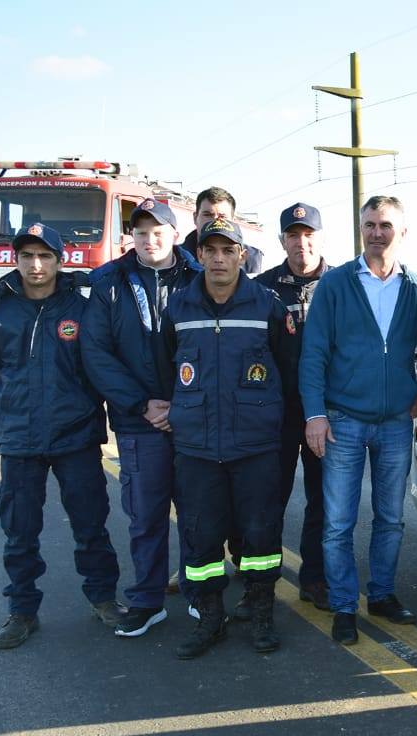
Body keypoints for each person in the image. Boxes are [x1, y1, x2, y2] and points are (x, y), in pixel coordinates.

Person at [0, 223, 123, 648]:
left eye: (44, 256)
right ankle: (22, 611)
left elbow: (98, 366)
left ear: (59, 260)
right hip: (20, 438)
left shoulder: (82, 307)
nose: (35, 265)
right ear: (15, 259)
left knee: (91, 524)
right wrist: (4, 412)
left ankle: (103, 598)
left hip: (76, 435)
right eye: (27, 256)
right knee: (20, 531)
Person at [161, 217, 293, 659]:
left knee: (261, 536)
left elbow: (288, 370)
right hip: (197, 447)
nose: (219, 258)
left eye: (227, 250)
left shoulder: (268, 306)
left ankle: (261, 612)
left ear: (242, 255)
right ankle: (210, 618)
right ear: (198, 255)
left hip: (255, 445)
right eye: (210, 250)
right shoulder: (178, 308)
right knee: (200, 537)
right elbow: (165, 368)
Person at [300, 196, 417, 646]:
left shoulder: (415, 286)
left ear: (402, 231)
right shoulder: (336, 284)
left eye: (386, 225)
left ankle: (382, 594)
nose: (377, 232)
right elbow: (313, 353)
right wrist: (315, 414)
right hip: (343, 420)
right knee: (338, 522)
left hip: (395, 422)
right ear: (360, 229)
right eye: (370, 224)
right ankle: (343, 606)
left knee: (390, 518)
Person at [81, 199, 201, 638]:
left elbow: (210, 349)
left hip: (191, 421)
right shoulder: (108, 283)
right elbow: (96, 352)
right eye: (141, 231)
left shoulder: (198, 279)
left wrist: (180, 406)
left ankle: (198, 593)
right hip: (138, 422)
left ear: (175, 234)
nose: (150, 239)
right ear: (131, 236)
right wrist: (141, 404)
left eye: (158, 231)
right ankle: (148, 601)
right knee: (146, 517)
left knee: (196, 515)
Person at [256, 202, 330, 612]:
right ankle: (261, 583)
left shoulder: (340, 284)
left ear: (320, 238)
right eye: (293, 235)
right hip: (277, 414)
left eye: (308, 234)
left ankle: (315, 578)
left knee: (323, 500)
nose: (301, 242)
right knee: (270, 500)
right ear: (282, 240)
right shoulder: (262, 287)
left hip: (323, 412)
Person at [181, 186, 264, 274]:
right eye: (208, 215)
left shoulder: (251, 259)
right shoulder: (177, 256)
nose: (214, 221)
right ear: (195, 218)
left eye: (222, 217)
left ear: (233, 221)